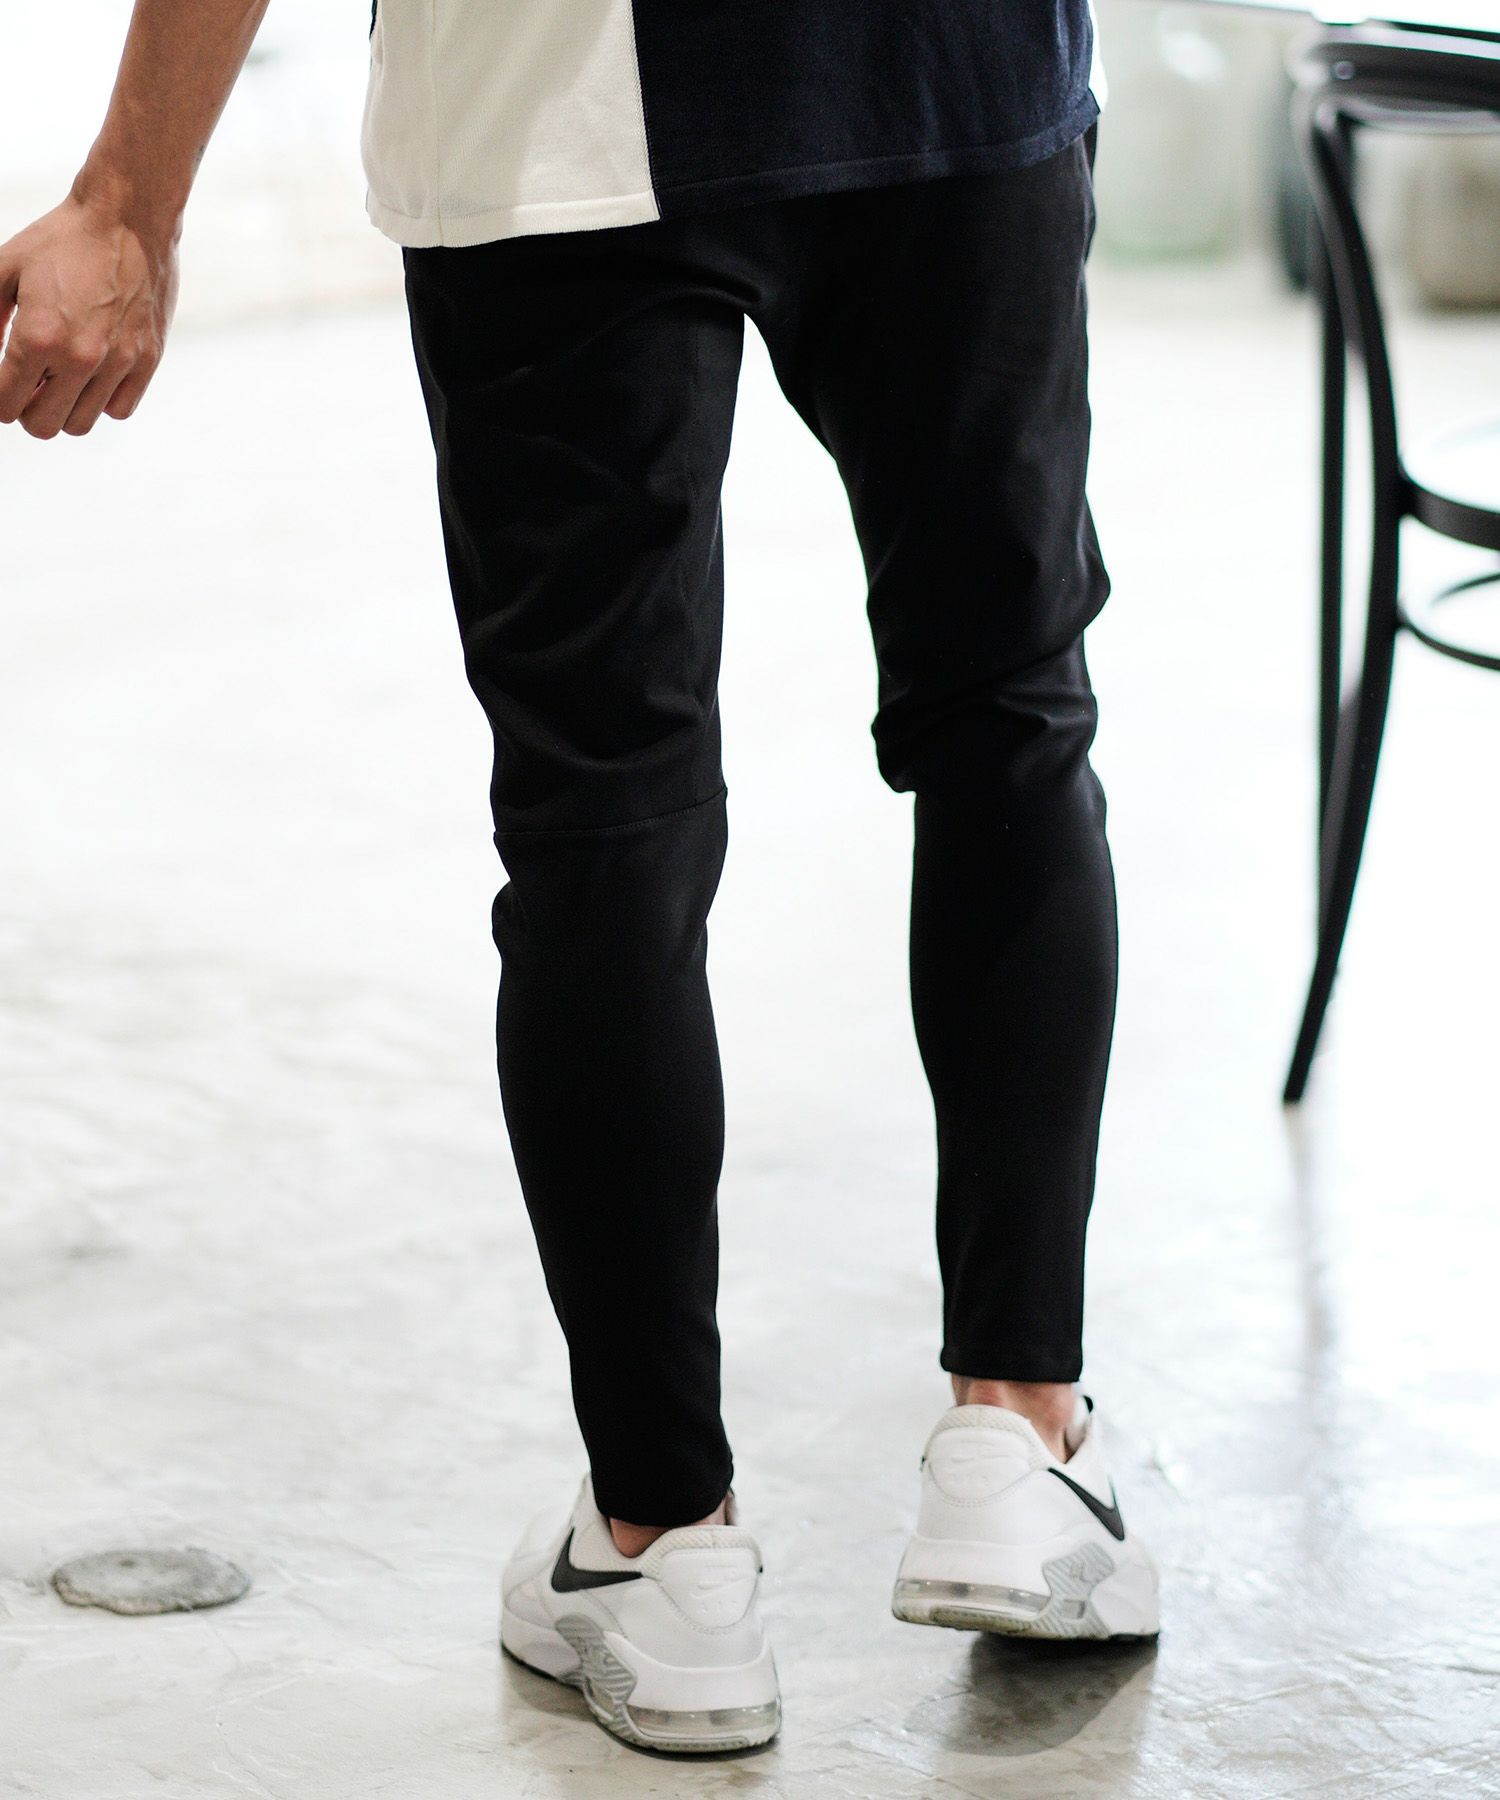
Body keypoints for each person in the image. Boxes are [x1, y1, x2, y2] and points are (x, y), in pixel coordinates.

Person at [0, 0, 1161, 1757]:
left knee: (605, 820)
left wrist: (130, 202)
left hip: (549, 110)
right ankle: (1018, 1440)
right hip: (946, 72)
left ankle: (660, 1547)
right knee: (1002, 717)